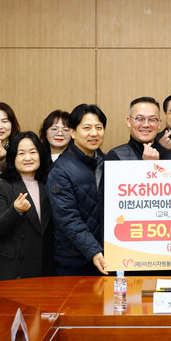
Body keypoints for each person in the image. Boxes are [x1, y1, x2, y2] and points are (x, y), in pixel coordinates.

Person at [47, 104, 108, 275]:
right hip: (74, 261)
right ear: (73, 132)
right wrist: (94, 250)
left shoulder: (108, 163)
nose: (94, 133)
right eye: (87, 128)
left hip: (107, 256)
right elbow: (68, 218)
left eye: (99, 128)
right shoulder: (60, 170)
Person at [0, 132, 54, 281]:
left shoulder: (48, 185)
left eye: (33, 152)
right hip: (13, 270)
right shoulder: (2, 187)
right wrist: (15, 210)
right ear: (13, 157)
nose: (28, 158)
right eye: (21, 153)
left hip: (44, 268)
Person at [106, 97, 171, 161]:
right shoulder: (116, 156)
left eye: (152, 119)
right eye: (140, 119)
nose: (146, 125)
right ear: (129, 121)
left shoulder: (168, 155)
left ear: (159, 123)